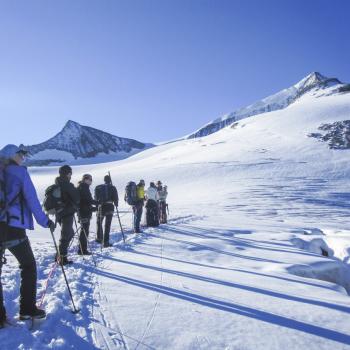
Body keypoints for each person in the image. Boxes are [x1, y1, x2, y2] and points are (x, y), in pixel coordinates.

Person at [0, 145, 55, 323]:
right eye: (20, 154)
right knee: (28, 266)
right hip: (14, 228)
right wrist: (45, 221)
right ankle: (27, 310)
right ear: (11, 156)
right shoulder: (20, 173)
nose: (23, 158)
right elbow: (32, 200)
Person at [55, 165, 80, 265]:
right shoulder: (67, 184)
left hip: (59, 213)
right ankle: (62, 258)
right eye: (70, 173)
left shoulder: (57, 183)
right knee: (66, 235)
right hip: (67, 212)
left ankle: (59, 255)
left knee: (67, 233)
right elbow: (77, 198)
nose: (71, 175)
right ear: (67, 173)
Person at [95, 175, 118, 247]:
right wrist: (116, 205)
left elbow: (96, 198)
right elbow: (116, 198)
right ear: (110, 180)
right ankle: (106, 242)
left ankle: (99, 238)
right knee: (107, 225)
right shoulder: (113, 187)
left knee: (99, 222)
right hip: (110, 207)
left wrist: (97, 207)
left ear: (104, 180)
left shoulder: (99, 187)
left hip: (101, 207)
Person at [77, 174, 97, 255]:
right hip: (84, 213)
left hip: (83, 212)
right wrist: (96, 204)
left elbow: (87, 201)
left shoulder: (82, 187)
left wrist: (93, 207)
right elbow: (87, 201)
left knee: (84, 231)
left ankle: (82, 249)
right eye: (90, 179)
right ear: (85, 179)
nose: (91, 181)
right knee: (84, 231)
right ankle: (82, 250)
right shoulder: (83, 188)